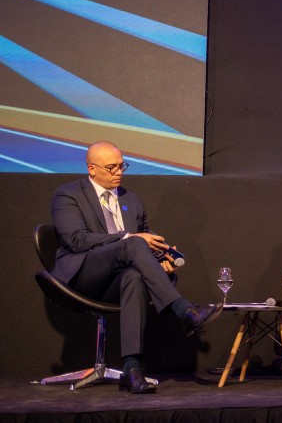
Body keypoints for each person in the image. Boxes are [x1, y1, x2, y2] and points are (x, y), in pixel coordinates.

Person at [50, 142, 223, 394]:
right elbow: (76, 240)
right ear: (92, 168)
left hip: (117, 280)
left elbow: (141, 241)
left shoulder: (131, 199)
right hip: (84, 274)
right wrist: (130, 238)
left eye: (122, 166)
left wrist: (159, 256)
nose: (118, 172)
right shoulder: (68, 195)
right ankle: (183, 310)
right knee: (131, 244)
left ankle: (132, 369)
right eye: (111, 168)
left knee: (134, 275)